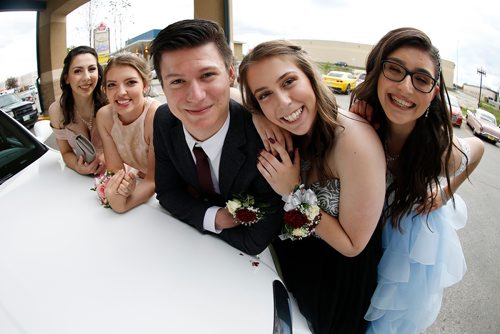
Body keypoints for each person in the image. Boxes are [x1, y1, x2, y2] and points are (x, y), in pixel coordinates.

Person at [238, 40, 387, 333]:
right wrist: (256, 115)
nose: (282, 102)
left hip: (335, 286)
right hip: (291, 266)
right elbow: (227, 96)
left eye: (289, 81)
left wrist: (293, 191)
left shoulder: (355, 141)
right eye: (265, 95)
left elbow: (353, 245)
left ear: (310, 76)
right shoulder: (281, 124)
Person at [349, 27, 484, 334]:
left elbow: (477, 151)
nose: (406, 87)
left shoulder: (439, 150)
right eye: (395, 69)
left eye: (421, 79)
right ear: (378, 72)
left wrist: (446, 192)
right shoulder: (359, 121)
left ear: (434, 92)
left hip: (405, 240)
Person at [149, 19, 283, 256]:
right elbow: (168, 193)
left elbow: (255, 240)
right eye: (178, 81)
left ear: (230, 74)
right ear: (162, 86)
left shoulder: (265, 138)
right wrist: (215, 218)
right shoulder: (164, 120)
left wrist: (194, 213)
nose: (196, 96)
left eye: (208, 75)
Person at [96, 52, 160, 213]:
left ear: (145, 85)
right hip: (141, 181)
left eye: (130, 82)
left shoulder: (155, 115)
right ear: (104, 89)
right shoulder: (104, 117)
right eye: (112, 85)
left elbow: (153, 180)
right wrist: (121, 187)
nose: (121, 92)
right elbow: (115, 169)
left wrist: (122, 204)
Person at [49, 46, 107, 175]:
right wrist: (77, 166)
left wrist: (108, 158)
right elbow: (66, 152)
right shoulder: (57, 111)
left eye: (92, 69)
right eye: (78, 71)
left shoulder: (110, 99)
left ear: (98, 72)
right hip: (81, 180)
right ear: (66, 78)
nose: (86, 77)